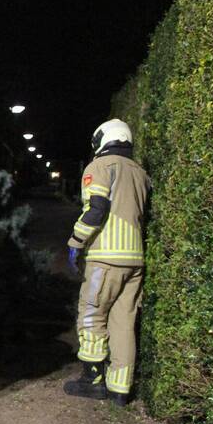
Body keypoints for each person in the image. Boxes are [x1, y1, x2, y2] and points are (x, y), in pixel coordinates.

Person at [64, 118, 149, 406]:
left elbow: (96, 209)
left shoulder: (99, 167)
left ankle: (93, 379)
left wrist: (76, 242)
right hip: (134, 259)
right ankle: (120, 389)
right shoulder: (140, 172)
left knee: (91, 315)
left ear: (102, 140)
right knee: (124, 322)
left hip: (106, 257)